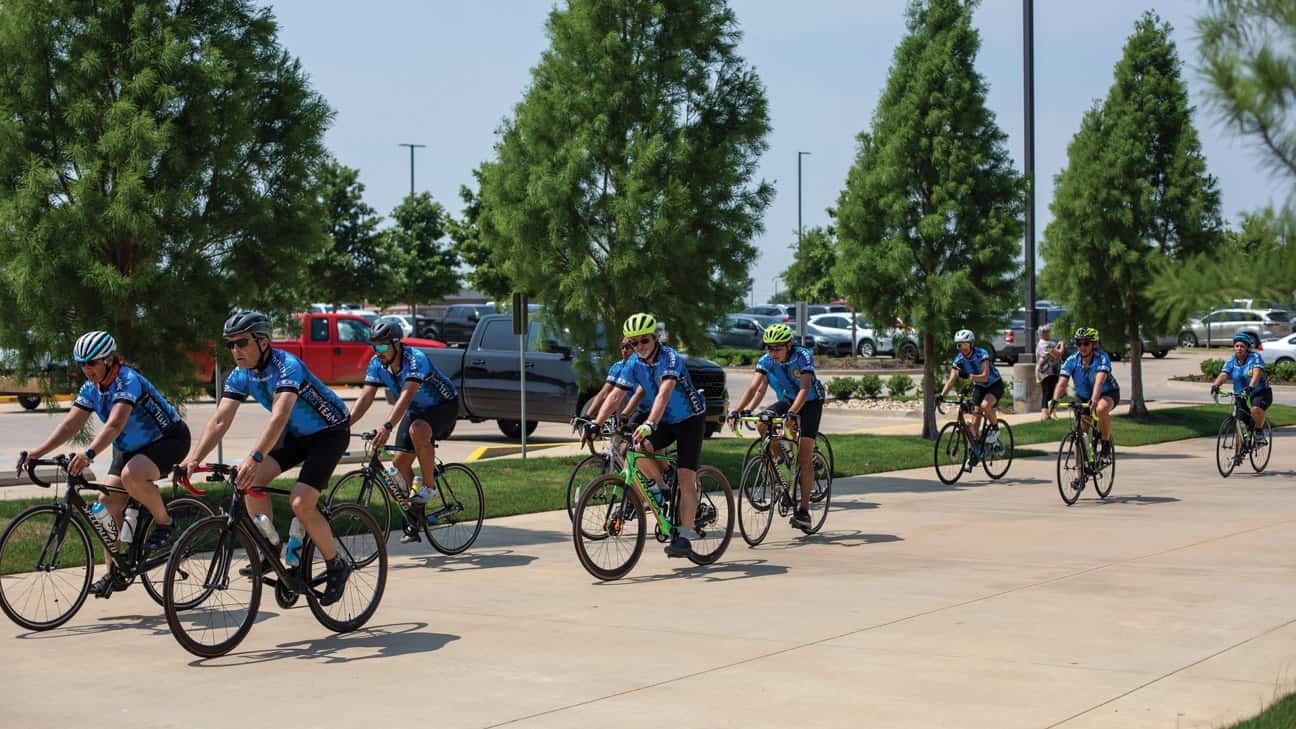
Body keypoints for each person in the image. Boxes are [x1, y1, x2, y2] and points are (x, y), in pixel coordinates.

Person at [179, 311, 353, 605]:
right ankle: (270, 547)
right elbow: (220, 420)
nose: (235, 350)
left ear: (263, 342)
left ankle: (337, 565)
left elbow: (279, 416)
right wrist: (194, 459)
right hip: (295, 433)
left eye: (242, 343)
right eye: (231, 344)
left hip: (329, 433)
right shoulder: (241, 374)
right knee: (249, 482)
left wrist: (255, 456)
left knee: (300, 503)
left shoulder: (287, 366)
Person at [21, 331, 191, 598]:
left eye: (92, 363)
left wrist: (88, 454)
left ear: (109, 359)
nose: (86, 369)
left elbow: (115, 424)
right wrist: (37, 452)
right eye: (82, 364)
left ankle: (165, 523)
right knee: (106, 505)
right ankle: (114, 573)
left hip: (168, 439)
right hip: (129, 448)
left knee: (133, 476)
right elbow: (70, 425)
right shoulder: (91, 388)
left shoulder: (127, 380)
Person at [588, 313, 707, 558]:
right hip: (665, 420)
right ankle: (662, 489)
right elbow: (616, 394)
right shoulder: (634, 362)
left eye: (644, 340)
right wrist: (595, 423)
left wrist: (650, 423)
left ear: (655, 338)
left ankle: (685, 537)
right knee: (636, 448)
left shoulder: (670, 358)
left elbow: (664, 393)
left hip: (689, 420)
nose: (639, 346)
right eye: (634, 343)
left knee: (686, 478)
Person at [349, 319, 459, 543]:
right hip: (417, 410)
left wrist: (387, 426)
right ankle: (416, 514)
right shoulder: (377, 363)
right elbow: (366, 397)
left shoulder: (415, 360)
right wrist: (344, 425)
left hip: (443, 406)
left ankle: (428, 487)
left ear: (396, 344)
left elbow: (406, 396)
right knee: (398, 465)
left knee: (418, 430)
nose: (377, 351)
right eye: (374, 346)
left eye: (382, 346)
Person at [728, 323, 826, 531]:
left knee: (805, 456)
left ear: (789, 345)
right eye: (769, 348)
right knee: (763, 423)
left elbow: (804, 388)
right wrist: (736, 411)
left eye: (777, 348)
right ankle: (782, 463)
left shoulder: (802, 356)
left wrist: (792, 413)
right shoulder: (766, 360)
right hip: (789, 399)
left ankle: (803, 511)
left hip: (810, 401)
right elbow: (753, 387)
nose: (773, 353)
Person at [1047, 327, 1120, 460]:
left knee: (1100, 409)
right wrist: (1055, 400)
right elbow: (1062, 383)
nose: (1082, 347)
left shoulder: (1102, 358)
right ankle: (1079, 471)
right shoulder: (1072, 360)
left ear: (1094, 344)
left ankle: (1105, 444)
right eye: (1079, 343)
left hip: (1107, 392)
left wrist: (1094, 399)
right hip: (1083, 396)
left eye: (1086, 343)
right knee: (1080, 435)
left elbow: (1099, 381)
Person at [937, 329, 1004, 468]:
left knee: (985, 406)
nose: (963, 348)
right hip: (979, 387)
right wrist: (941, 396)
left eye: (965, 345)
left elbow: (985, 376)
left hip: (994, 385)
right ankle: (973, 455)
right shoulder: (959, 360)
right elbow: (951, 380)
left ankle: (995, 429)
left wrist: (968, 376)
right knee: (973, 425)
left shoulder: (981, 354)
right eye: (959, 345)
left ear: (972, 344)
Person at [578, 338, 649, 446]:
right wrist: (587, 416)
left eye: (628, 347)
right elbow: (604, 393)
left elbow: (640, 394)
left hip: (651, 408)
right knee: (621, 447)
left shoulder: (643, 366)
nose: (624, 350)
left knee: (646, 445)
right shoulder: (617, 367)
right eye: (622, 347)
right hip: (635, 410)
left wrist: (625, 414)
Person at [1210, 332, 1271, 445]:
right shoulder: (1231, 362)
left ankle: (1259, 431)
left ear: (1247, 347)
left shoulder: (1254, 357)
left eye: (1242, 346)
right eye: (1237, 346)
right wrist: (1215, 386)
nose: (1239, 348)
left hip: (1260, 392)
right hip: (1241, 394)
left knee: (1255, 409)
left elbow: (1257, 373)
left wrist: (1251, 387)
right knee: (1240, 425)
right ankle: (1238, 453)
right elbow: (1224, 374)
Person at [1035, 324, 1066, 421]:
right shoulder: (1045, 344)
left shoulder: (1044, 343)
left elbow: (1052, 353)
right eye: (1048, 332)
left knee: (1049, 392)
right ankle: (1045, 415)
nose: (1049, 334)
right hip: (1047, 372)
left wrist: (1057, 346)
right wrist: (1062, 345)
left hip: (1049, 372)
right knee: (1047, 393)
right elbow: (1058, 354)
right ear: (1043, 333)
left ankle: (1048, 414)